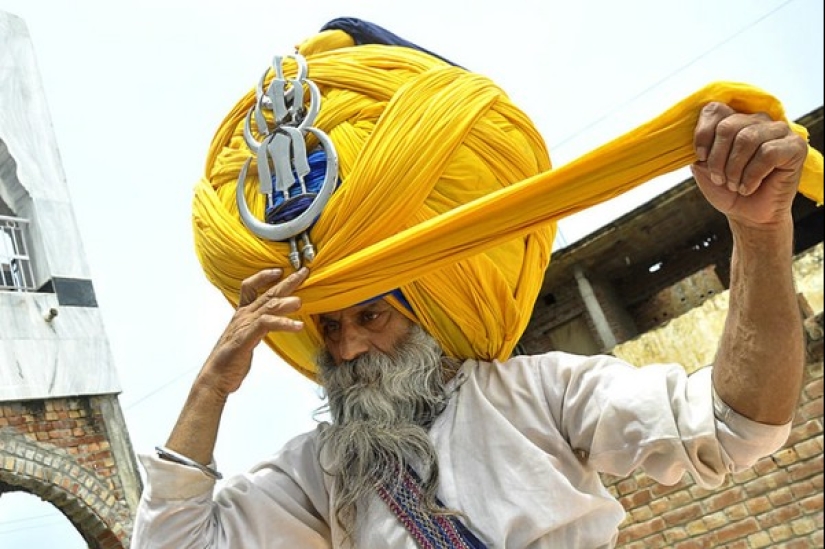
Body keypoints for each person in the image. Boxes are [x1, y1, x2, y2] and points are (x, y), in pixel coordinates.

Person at [132, 17, 815, 549]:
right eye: (330, 325)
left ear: (429, 310)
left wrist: (758, 231)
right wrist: (212, 385)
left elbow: (736, 427)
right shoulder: (322, 473)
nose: (345, 348)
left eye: (370, 315)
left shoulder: (538, 396)